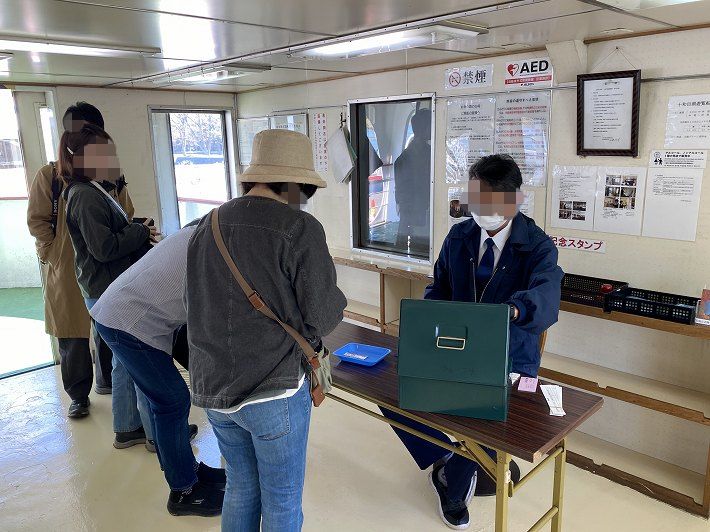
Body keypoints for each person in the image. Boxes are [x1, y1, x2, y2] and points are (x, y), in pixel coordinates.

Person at [382, 154, 564, 530]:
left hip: (512, 357)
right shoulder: (459, 236)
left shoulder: (538, 246)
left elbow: (547, 297)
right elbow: (439, 288)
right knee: (392, 391)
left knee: (488, 414)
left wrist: (514, 310)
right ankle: (449, 455)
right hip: (454, 347)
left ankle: (454, 479)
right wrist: (427, 322)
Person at [186, 129, 347, 531]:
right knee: (282, 499)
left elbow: (193, 304)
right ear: (296, 185)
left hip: (213, 387)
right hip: (274, 390)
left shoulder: (207, 225)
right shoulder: (299, 227)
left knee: (240, 487)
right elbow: (323, 316)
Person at [90, 223, 225, 516]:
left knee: (168, 400)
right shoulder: (214, 248)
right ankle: (184, 491)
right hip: (128, 323)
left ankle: (188, 472)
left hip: (123, 313)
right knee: (171, 401)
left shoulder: (202, 232)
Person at [26, 102, 134, 418]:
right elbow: (37, 220)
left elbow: (125, 211)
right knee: (72, 334)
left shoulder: (110, 173)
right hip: (66, 267)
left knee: (107, 330)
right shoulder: (50, 175)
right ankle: (78, 395)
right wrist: (52, 253)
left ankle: (108, 383)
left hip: (104, 265)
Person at [59, 123, 156, 449]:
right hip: (109, 290)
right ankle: (157, 434)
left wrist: (135, 228)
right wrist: (140, 233)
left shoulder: (91, 189)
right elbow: (103, 248)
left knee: (124, 361)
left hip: (106, 288)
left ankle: (127, 427)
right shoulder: (84, 195)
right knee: (140, 360)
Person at [394, 108, 431, 254]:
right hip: (418, 210)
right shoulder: (428, 154)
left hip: (408, 209)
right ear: (425, 128)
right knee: (420, 250)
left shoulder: (404, 156)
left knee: (403, 245)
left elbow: (400, 188)